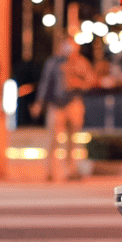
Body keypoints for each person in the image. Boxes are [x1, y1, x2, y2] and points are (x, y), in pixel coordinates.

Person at [32, 35, 96, 182]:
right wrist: (39, 103)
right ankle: (49, 171)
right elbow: (45, 83)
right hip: (56, 105)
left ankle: (70, 170)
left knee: (72, 140)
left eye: (72, 46)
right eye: (66, 45)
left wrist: (78, 83)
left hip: (73, 102)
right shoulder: (53, 62)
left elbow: (91, 81)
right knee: (52, 139)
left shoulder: (81, 62)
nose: (69, 49)